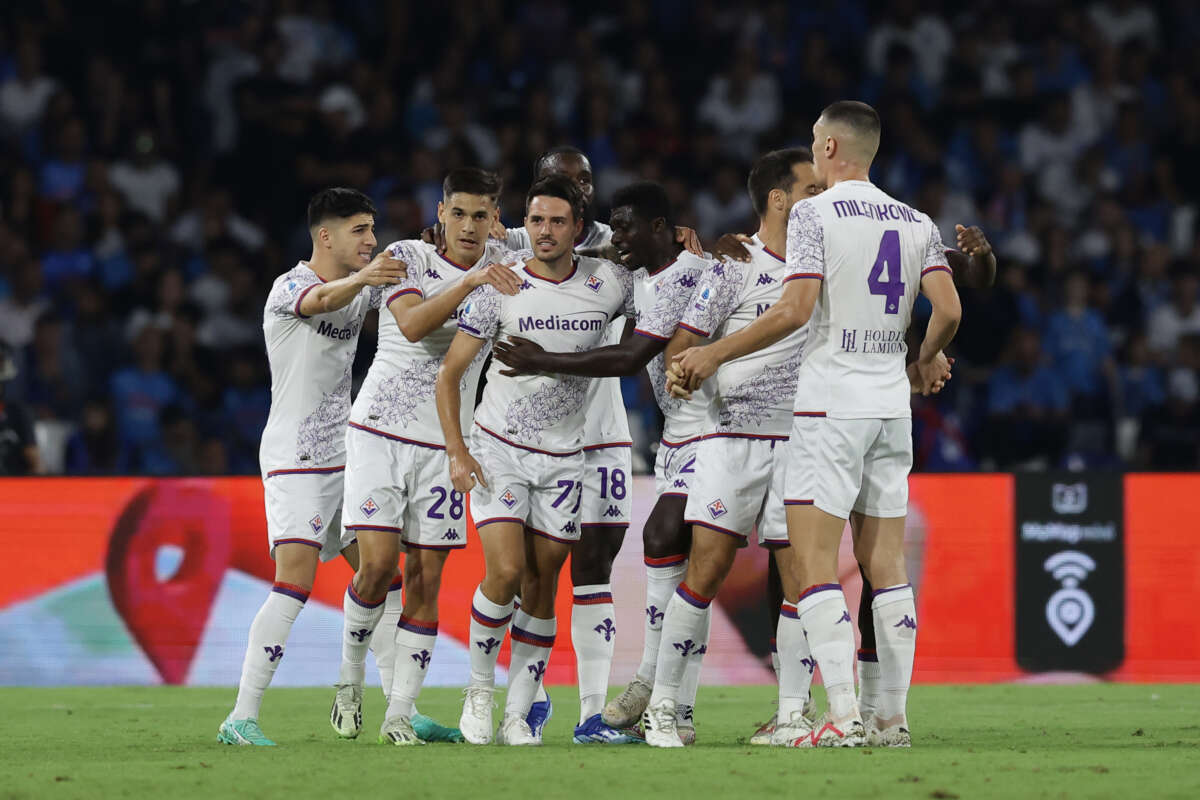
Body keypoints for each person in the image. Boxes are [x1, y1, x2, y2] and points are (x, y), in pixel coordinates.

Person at [671, 101, 960, 748]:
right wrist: (925, 356)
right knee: (886, 564)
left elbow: (795, 308)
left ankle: (840, 718)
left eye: (812, 140)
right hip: (890, 406)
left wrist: (714, 351)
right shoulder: (916, 220)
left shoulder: (812, 213)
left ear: (829, 148)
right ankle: (892, 719)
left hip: (830, 404)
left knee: (814, 562)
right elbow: (948, 306)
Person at [490, 181, 716, 744]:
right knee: (529, 572)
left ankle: (595, 713)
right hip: (530, 436)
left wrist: (700, 247)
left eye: (585, 181)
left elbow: (661, 296)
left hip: (605, 432)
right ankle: (527, 696)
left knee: (595, 567)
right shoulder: (515, 258)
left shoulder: (623, 276)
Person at [435, 175, 635, 746]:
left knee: (545, 581)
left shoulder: (609, 283)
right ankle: (478, 691)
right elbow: (450, 374)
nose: (544, 231)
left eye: (556, 221)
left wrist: (689, 247)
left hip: (566, 460)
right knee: (504, 572)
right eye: (536, 220)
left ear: (578, 227)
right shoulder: (500, 285)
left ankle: (519, 714)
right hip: (499, 452)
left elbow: (660, 280)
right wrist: (457, 449)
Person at [634, 147, 822, 747]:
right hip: (730, 438)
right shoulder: (731, 265)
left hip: (798, 440)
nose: (823, 199)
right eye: (811, 190)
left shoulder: (826, 265)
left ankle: (793, 713)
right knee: (706, 570)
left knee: (798, 579)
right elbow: (680, 348)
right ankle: (665, 709)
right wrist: (686, 373)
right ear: (778, 198)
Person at [330, 168, 520, 745]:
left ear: (494, 218)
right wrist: (473, 283)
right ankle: (349, 677)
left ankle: (398, 717)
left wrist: (692, 237)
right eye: (457, 213)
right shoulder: (407, 255)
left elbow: (581, 239)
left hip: (445, 444)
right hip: (381, 432)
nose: (468, 226)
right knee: (377, 566)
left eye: (480, 215)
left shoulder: (506, 259)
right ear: (440, 212)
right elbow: (411, 325)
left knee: (427, 579)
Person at [217, 187, 404, 747]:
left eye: (373, 230)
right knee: (294, 583)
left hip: (348, 456)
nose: (371, 241)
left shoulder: (360, 289)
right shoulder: (292, 286)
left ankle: (401, 710)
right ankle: (240, 717)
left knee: (386, 579)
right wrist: (365, 282)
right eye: (360, 230)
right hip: (295, 456)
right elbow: (321, 303)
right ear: (326, 235)